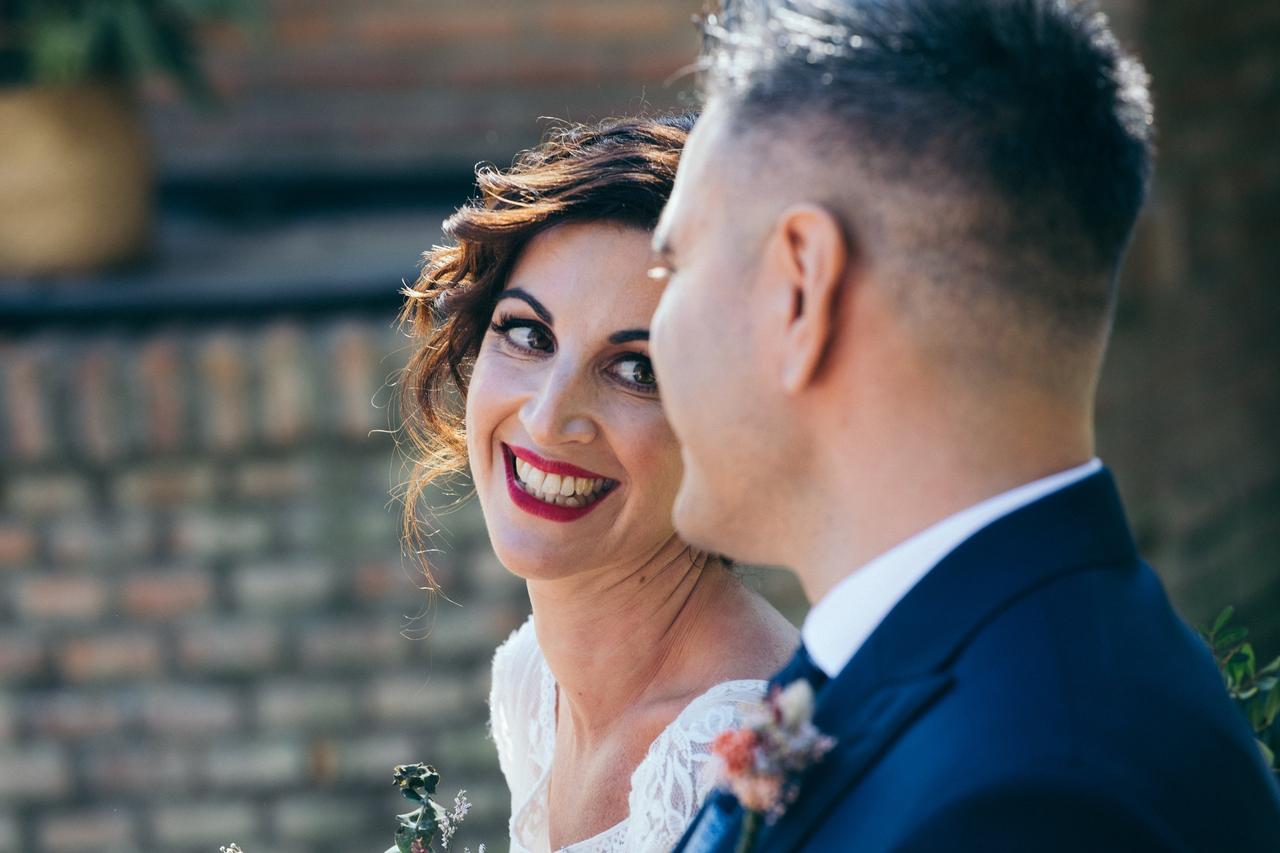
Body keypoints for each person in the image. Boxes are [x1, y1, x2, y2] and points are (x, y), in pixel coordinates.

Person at [648, 1, 1280, 850]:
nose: (654, 336)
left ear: (800, 290)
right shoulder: (999, 661)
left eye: (674, 263)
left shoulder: (1028, 801)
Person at [395, 114, 798, 853]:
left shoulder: (747, 764)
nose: (549, 419)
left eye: (637, 370)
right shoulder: (532, 684)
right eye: (528, 334)